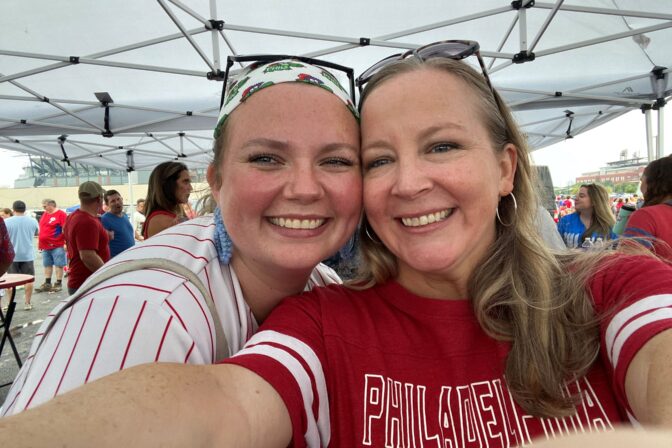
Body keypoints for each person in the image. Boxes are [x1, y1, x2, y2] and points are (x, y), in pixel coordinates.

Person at [1, 44, 670, 448]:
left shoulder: (610, 289)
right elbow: (220, 407)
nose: (409, 182)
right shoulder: (323, 321)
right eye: (378, 159)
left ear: (504, 168)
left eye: (442, 146)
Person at [0, 57, 361, 418]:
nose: (304, 189)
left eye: (336, 161)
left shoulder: (324, 285)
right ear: (217, 182)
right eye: (266, 158)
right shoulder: (143, 311)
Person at [63, 181, 110, 295]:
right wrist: (107, 275)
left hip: (81, 282)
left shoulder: (73, 216)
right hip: (87, 283)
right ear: (99, 198)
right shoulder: (87, 221)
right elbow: (87, 256)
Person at [623, 154, 672, 261]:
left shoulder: (646, 216)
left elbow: (627, 263)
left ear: (653, 183)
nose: (640, 187)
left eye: (641, 180)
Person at [142, 161, 193, 238]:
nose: (190, 188)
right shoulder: (162, 220)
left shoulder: (166, 217)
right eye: (185, 182)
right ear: (169, 185)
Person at [557, 183, 616, 248]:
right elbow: (556, 246)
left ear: (595, 201)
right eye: (576, 196)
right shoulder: (565, 221)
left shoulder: (610, 226)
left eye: (581, 196)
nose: (576, 199)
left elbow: (616, 250)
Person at [4, 201, 39, 310]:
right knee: (29, 280)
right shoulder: (33, 221)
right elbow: (37, 233)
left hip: (11, 256)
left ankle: (10, 305)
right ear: (25, 209)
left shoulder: (6, 222)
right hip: (27, 255)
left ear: (13, 209)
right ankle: (27, 303)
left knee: (9, 281)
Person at [35, 199, 67, 293]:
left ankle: (58, 283)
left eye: (45, 206)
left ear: (51, 205)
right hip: (45, 245)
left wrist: (65, 242)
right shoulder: (45, 214)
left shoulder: (61, 214)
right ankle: (47, 283)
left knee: (58, 265)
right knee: (47, 264)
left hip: (57, 244)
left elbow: (65, 229)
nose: (43, 208)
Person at [100, 189, 135, 258]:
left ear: (122, 199)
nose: (117, 202)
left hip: (130, 259)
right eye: (113, 201)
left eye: (118, 199)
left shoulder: (125, 216)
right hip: (117, 262)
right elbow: (101, 244)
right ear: (107, 204)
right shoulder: (104, 219)